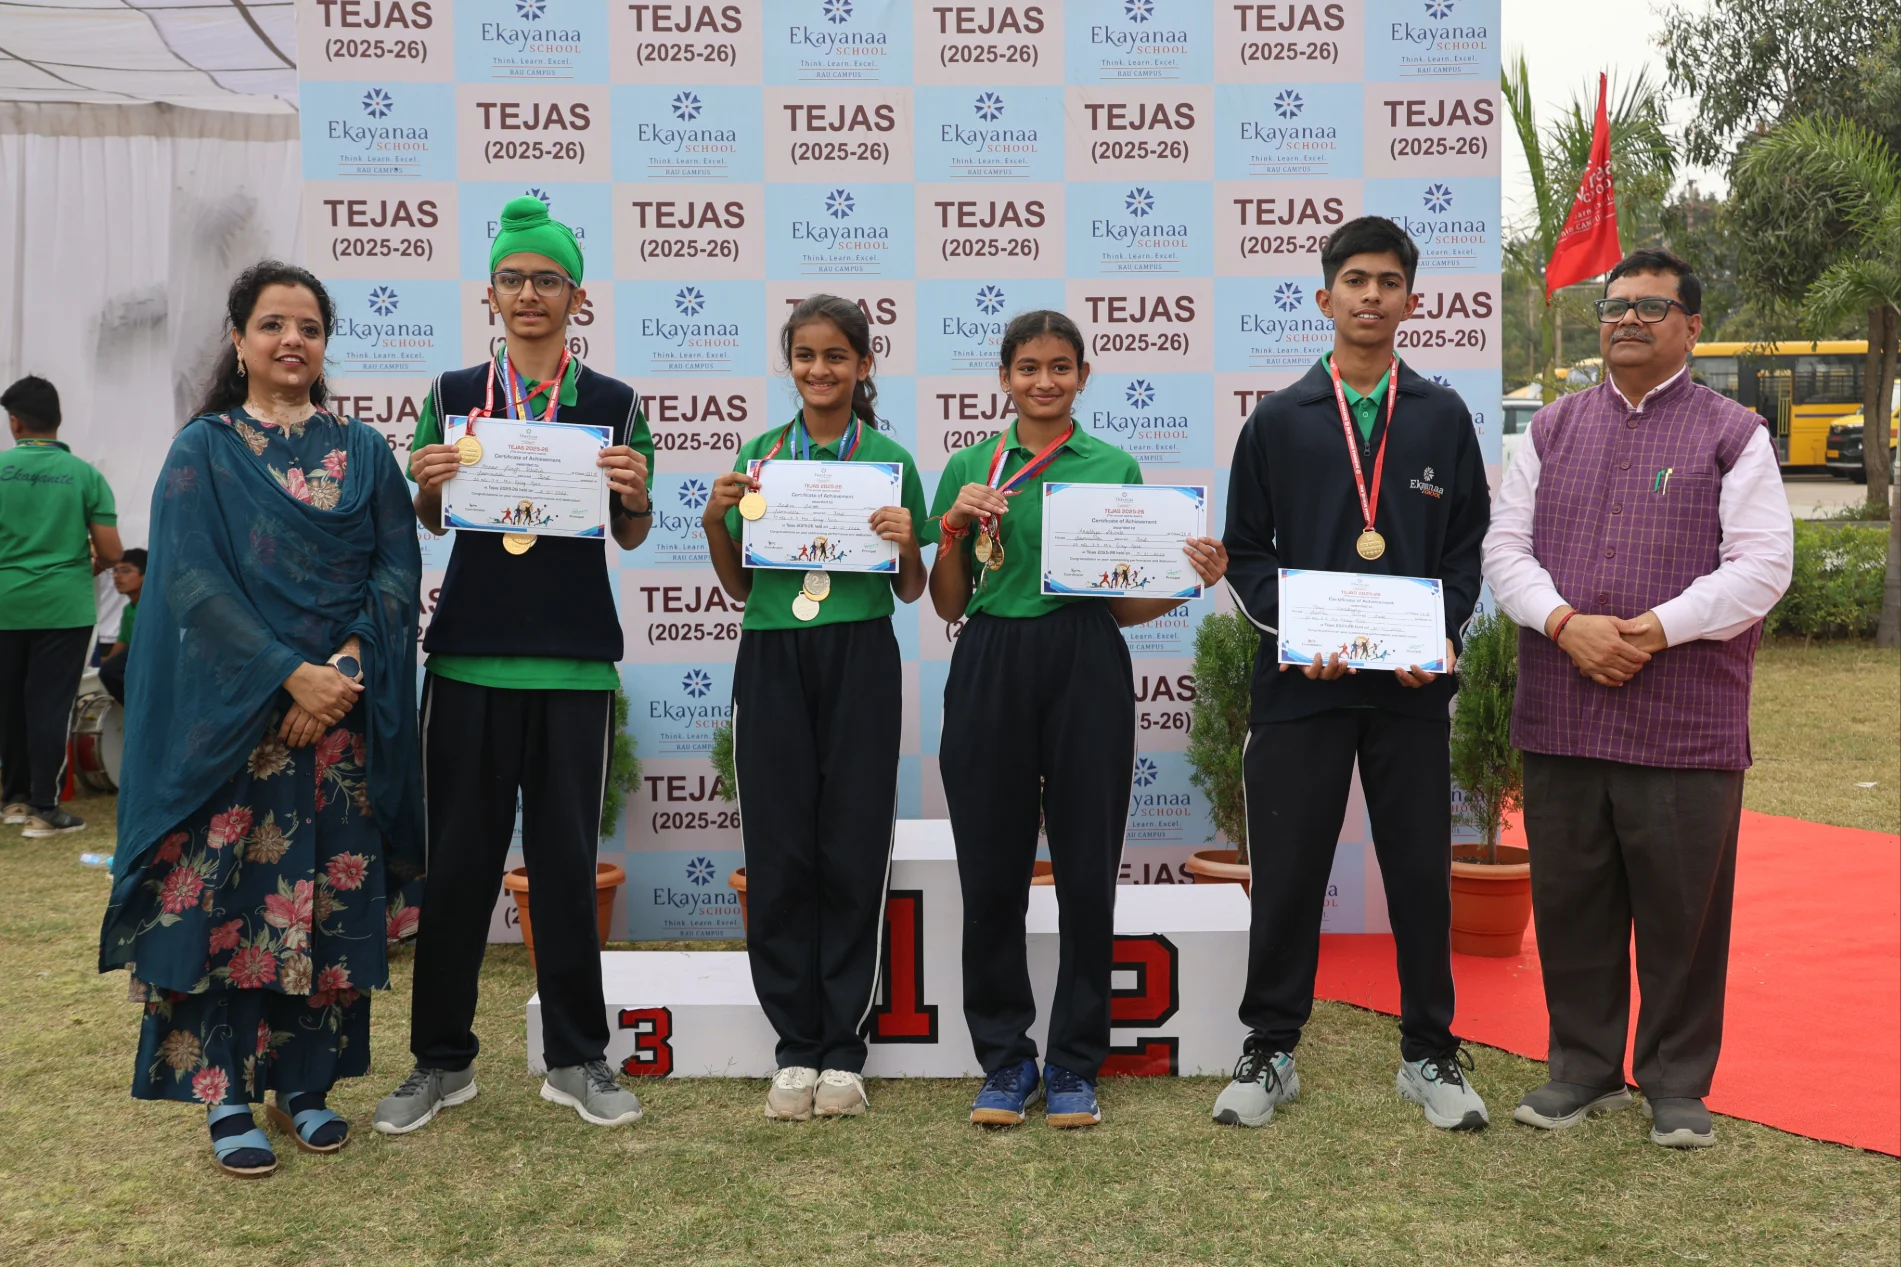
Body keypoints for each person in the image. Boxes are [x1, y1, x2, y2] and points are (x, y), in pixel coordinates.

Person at [98, 262, 424, 1177]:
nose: (292, 340)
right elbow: (191, 584)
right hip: (233, 727)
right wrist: (288, 678)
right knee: (225, 909)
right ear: (238, 340)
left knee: (325, 900)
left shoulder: (364, 453)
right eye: (273, 324)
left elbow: (396, 571)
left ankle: (304, 1086)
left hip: (340, 725)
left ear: (324, 346)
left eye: (309, 327)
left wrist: (343, 670)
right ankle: (227, 1097)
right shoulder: (202, 450)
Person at [1482, 249, 1793, 1150]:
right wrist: (1564, 623)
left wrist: (1650, 630)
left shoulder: (1732, 433)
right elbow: (1504, 549)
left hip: (1682, 719)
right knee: (1571, 899)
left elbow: (1762, 566)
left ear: (1690, 327)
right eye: (1613, 304)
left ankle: (1675, 1081)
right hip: (1562, 708)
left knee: (1680, 910)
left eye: (1649, 306)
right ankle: (1581, 1066)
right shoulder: (1550, 428)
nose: (1625, 317)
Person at [375, 196, 655, 1135]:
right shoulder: (454, 391)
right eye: (512, 278)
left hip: (573, 667)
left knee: (566, 870)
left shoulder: (614, 403)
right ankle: (440, 1060)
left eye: (546, 279)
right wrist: (428, 485)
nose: (528, 293)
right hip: (467, 661)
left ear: (577, 295)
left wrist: (635, 494)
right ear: (489, 293)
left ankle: (576, 1057)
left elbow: (630, 530)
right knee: (457, 868)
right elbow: (431, 519)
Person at [1214, 216, 1492, 1132]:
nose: (1371, 295)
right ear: (1324, 296)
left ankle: (1428, 1052)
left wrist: (1438, 636)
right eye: (1355, 280)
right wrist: (1301, 633)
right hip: (1301, 689)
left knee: (1418, 875)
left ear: (1412, 300)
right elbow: (1246, 552)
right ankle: (1269, 1048)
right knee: (1288, 873)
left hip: (1409, 692)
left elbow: (1464, 549)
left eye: (1388, 282)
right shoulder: (1278, 418)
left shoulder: (1442, 415)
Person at [928, 309, 1228, 1129]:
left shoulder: (1113, 465)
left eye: (1059, 366)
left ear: (1083, 376)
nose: (1044, 380)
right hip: (989, 655)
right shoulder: (969, 464)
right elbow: (948, 602)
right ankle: (1004, 1058)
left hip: (1085, 655)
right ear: (1004, 377)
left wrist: (1188, 582)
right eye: (1027, 367)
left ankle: (1072, 1061)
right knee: (990, 869)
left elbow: (1120, 603)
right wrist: (951, 527)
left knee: (1087, 867)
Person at [700, 294, 932, 1121]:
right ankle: (795, 1045)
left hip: (859, 653)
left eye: (836, 355)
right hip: (772, 653)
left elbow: (911, 589)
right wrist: (714, 519)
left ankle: (844, 1046)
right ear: (789, 363)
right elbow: (738, 586)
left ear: (863, 364)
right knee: (779, 847)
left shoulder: (891, 460)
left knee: (852, 845)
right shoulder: (761, 456)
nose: (820, 369)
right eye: (805, 355)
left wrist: (908, 539)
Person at [0, 374, 121, 837]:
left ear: (15, 423)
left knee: (10, 703)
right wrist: (87, 566)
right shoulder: (85, 476)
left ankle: (13, 800)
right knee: (48, 705)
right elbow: (111, 552)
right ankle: (44, 809)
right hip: (63, 607)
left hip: (6, 603)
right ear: (58, 420)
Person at [98, 548, 146, 704]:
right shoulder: (128, 610)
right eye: (115, 571)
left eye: (125, 570)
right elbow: (121, 645)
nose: (117, 576)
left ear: (145, 575)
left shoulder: (156, 609)